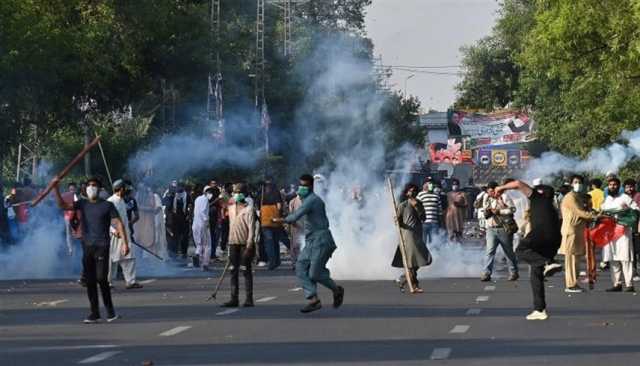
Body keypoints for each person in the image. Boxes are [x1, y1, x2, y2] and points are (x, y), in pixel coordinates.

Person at [54, 177, 128, 323]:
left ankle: (110, 312)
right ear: (85, 189)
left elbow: (118, 223)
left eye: (94, 185)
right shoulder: (82, 204)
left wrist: (125, 243)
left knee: (101, 279)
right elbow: (63, 205)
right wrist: (55, 188)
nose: (91, 187)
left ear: (99, 189)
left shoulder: (107, 205)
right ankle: (94, 313)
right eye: (89, 185)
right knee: (90, 281)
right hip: (87, 247)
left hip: (102, 246)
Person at [273, 174, 344, 313]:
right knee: (300, 266)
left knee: (314, 274)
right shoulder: (306, 200)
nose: (301, 188)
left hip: (322, 240)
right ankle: (313, 299)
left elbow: (296, 215)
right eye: (300, 185)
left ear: (311, 187)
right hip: (311, 240)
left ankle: (337, 290)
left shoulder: (313, 200)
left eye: (304, 186)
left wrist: (280, 220)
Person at [495, 180, 562, 321]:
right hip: (555, 239)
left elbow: (518, 183)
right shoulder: (552, 207)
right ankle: (539, 309)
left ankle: (546, 263)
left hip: (541, 234)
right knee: (535, 274)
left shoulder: (537, 198)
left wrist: (501, 187)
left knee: (520, 250)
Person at [222, 183, 258, 307]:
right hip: (233, 242)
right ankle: (234, 298)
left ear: (244, 194)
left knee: (246, 270)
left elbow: (252, 229)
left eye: (239, 192)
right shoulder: (231, 208)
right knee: (233, 271)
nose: (237, 194)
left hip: (244, 244)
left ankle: (249, 299)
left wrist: (249, 246)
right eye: (235, 192)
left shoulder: (249, 210)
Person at [392, 183, 432, 293]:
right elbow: (397, 221)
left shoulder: (419, 203)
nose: (413, 192)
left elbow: (423, 218)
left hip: (418, 234)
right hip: (408, 236)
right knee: (412, 262)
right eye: (410, 190)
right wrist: (397, 220)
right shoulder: (403, 205)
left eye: (414, 190)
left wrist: (417, 207)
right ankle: (414, 285)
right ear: (406, 192)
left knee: (421, 259)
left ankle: (403, 278)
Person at [560, 175, 596, 293]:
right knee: (570, 259)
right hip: (571, 231)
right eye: (575, 182)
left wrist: (593, 212)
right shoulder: (570, 197)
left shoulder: (580, 197)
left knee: (576, 259)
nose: (578, 184)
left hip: (579, 231)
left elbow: (587, 210)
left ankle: (574, 283)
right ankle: (570, 285)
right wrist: (595, 216)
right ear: (571, 184)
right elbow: (580, 212)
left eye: (580, 182)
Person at [601, 177, 637, 292]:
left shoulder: (625, 197)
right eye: (610, 185)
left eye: (615, 184)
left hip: (623, 232)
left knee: (626, 258)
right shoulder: (607, 199)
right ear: (608, 186)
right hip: (610, 232)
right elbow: (602, 212)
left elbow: (636, 210)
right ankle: (617, 284)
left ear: (619, 186)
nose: (612, 186)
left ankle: (629, 284)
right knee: (613, 258)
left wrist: (627, 210)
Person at [108, 180, 143, 289]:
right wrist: (114, 231)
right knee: (111, 259)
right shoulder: (110, 202)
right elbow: (106, 220)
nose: (127, 191)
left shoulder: (122, 201)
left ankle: (130, 281)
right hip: (113, 235)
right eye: (125, 189)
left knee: (129, 257)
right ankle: (108, 282)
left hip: (125, 234)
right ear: (121, 189)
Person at [481, 181, 519, 282]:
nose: (489, 193)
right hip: (490, 228)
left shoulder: (504, 197)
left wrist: (499, 211)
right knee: (489, 252)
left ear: (496, 190)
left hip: (504, 228)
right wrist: (487, 212)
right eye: (488, 191)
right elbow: (484, 209)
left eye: (491, 191)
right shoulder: (487, 198)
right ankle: (486, 273)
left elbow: (512, 210)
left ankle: (513, 272)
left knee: (508, 252)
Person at [163, 182, 189, 258]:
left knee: (184, 237)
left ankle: (183, 252)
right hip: (172, 219)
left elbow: (190, 205)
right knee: (173, 237)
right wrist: (170, 196)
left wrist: (189, 215)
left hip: (183, 219)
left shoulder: (186, 195)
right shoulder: (169, 195)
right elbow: (165, 204)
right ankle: (172, 253)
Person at [192, 186, 214, 270]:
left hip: (195, 224)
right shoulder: (205, 200)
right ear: (205, 192)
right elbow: (203, 212)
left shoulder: (197, 199)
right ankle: (205, 264)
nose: (210, 194)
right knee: (207, 244)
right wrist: (207, 222)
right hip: (203, 224)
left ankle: (197, 255)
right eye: (209, 192)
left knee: (199, 244)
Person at [623, 179, 640, 281]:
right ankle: (634, 272)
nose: (629, 189)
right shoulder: (622, 197)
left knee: (637, 250)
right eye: (627, 187)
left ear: (635, 186)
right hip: (626, 228)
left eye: (631, 186)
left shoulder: (638, 196)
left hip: (636, 227)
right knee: (630, 251)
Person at [416, 178, 441, 245]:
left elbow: (439, 211)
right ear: (424, 185)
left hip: (434, 224)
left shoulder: (436, 196)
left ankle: (433, 255)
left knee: (434, 243)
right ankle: (424, 255)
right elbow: (416, 209)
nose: (431, 185)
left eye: (431, 183)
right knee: (423, 243)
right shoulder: (420, 195)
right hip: (424, 223)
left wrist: (440, 223)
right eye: (428, 183)